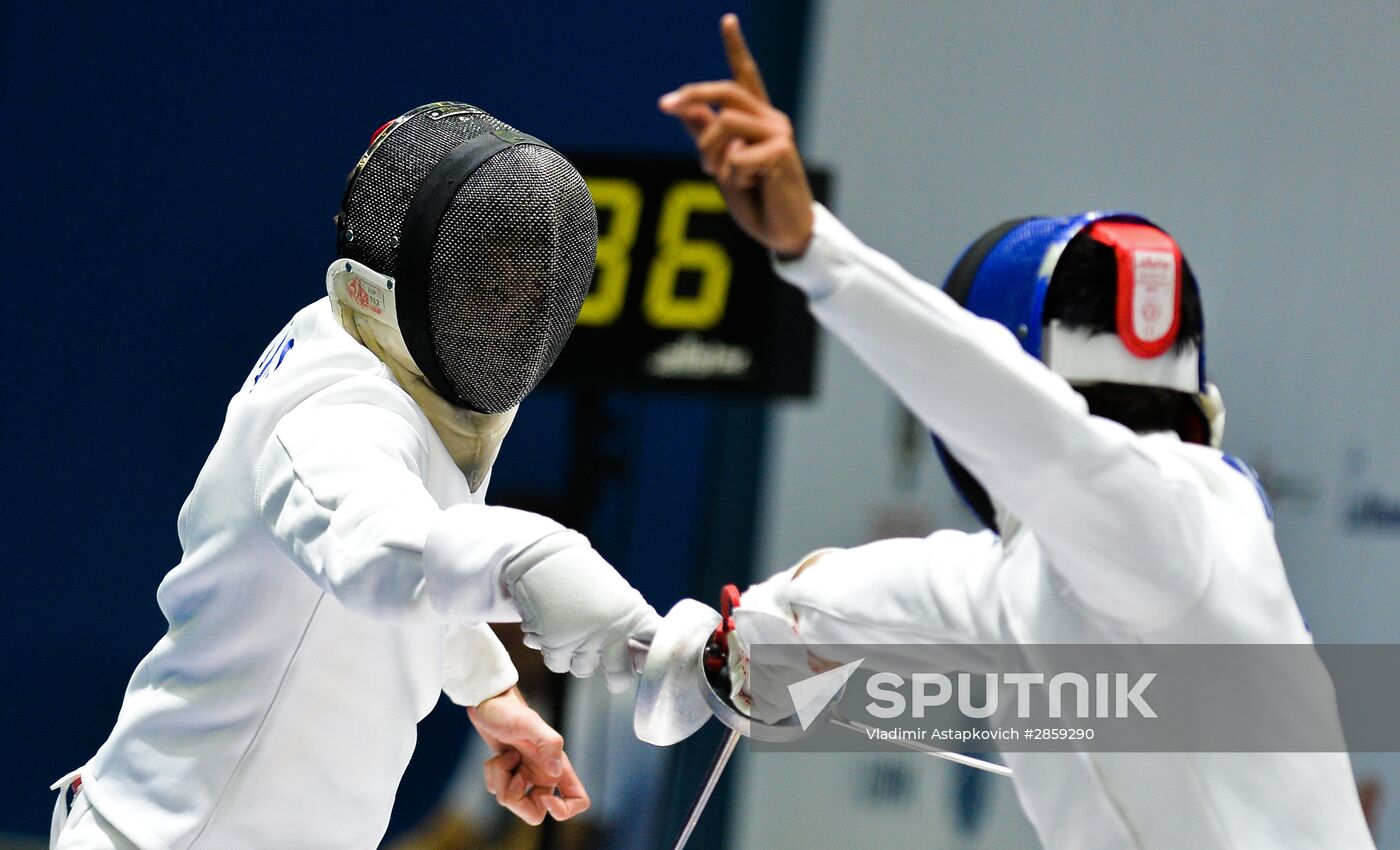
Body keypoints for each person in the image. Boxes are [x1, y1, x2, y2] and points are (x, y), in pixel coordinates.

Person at [660, 16, 1375, 849]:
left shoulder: (1178, 532)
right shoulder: (1020, 580)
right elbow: (849, 602)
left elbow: (1042, 443)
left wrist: (815, 250)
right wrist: (736, 645)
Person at [50, 102, 661, 850]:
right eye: (491, 276)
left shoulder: (395, 369)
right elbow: (376, 551)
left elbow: (416, 547)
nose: (516, 306)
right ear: (421, 269)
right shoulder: (337, 409)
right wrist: (540, 562)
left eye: (533, 284)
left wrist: (487, 685)